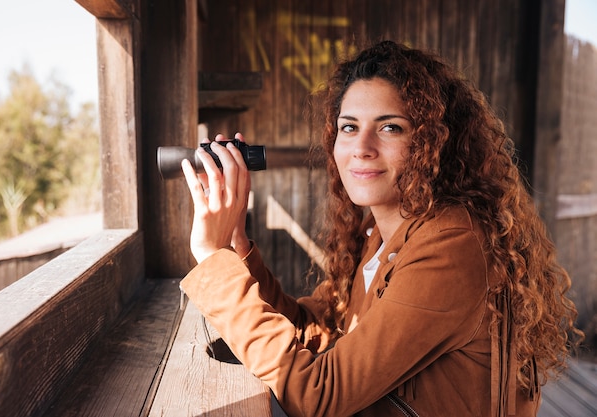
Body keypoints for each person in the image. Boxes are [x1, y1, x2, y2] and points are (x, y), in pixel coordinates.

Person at [178, 40, 583, 417]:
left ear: (433, 143)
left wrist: (212, 259)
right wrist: (236, 245)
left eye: (391, 127)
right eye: (349, 127)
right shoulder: (380, 234)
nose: (361, 147)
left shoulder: (452, 245)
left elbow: (318, 395)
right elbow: (313, 330)